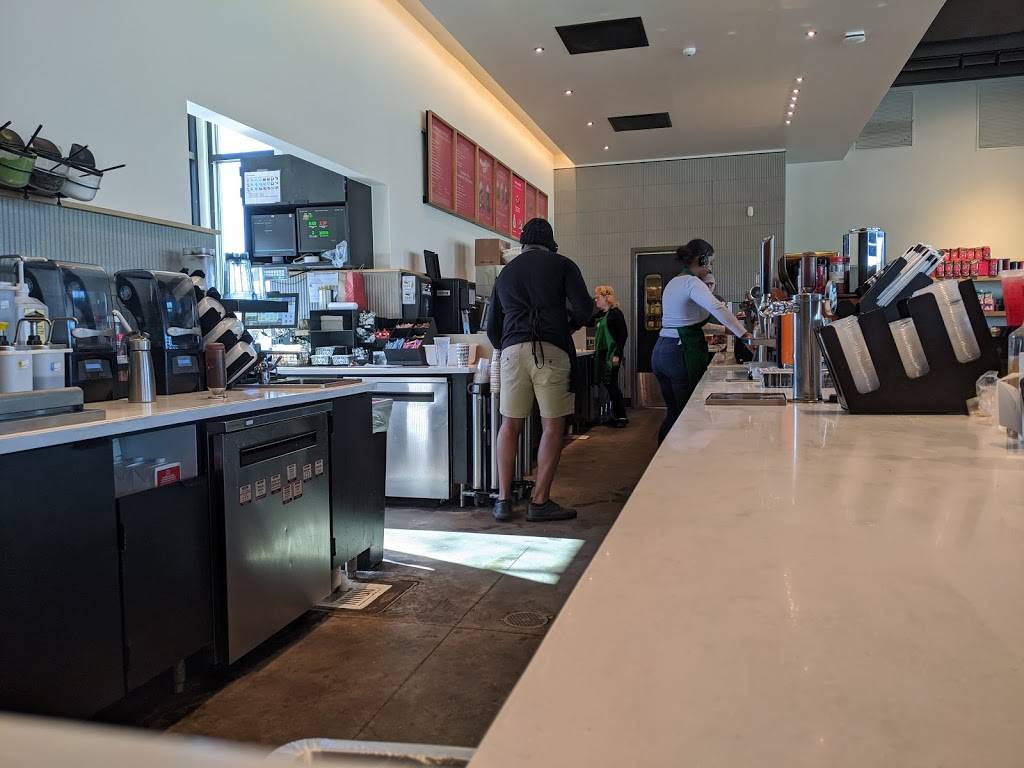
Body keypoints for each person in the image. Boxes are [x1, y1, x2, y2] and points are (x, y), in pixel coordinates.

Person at [486, 218, 594, 523]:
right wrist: (565, 326)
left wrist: (510, 342)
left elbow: (492, 327)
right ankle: (539, 501)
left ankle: (503, 501)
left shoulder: (505, 273)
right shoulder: (563, 265)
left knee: (509, 425)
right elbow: (585, 309)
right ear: (550, 243)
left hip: (511, 352)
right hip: (551, 350)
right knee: (552, 426)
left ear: (523, 243)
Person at [651, 239, 749, 443]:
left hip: (661, 351)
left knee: (674, 412)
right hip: (679, 353)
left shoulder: (674, 282)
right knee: (687, 414)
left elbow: (688, 322)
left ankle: (662, 457)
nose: (710, 268)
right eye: (710, 262)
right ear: (702, 259)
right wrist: (744, 335)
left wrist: (726, 329)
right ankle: (679, 458)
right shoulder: (692, 282)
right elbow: (717, 308)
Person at [592, 285, 629, 427]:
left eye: (598, 297)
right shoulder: (601, 315)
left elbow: (623, 335)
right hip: (603, 354)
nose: (596, 300)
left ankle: (621, 417)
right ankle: (616, 415)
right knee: (608, 384)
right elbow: (588, 320)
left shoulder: (616, 314)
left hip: (612, 355)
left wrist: (617, 355)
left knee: (611, 384)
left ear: (606, 298)